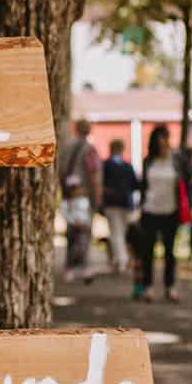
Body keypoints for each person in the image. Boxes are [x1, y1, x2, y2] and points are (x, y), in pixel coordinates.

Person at [136, 123, 183, 301]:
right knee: (148, 251)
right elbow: (143, 186)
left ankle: (170, 287)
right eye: (159, 139)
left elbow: (185, 184)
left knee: (169, 252)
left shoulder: (176, 160)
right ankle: (148, 287)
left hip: (171, 211)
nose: (163, 143)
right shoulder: (149, 161)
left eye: (165, 138)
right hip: (150, 210)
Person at [60, 118, 102, 282]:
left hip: (69, 195)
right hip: (84, 196)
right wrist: (97, 196)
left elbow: (61, 171)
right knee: (84, 232)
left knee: (71, 232)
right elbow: (94, 174)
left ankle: (69, 268)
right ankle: (84, 267)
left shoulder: (67, 148)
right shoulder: (89, 149)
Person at [101, 137, 141, 273]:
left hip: (112, 203)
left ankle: (121, 260)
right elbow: (136, 184)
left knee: (116, 233)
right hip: (126, 203)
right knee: (121, 233)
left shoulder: (105, 165)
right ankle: (120, 260)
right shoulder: (127, 166)